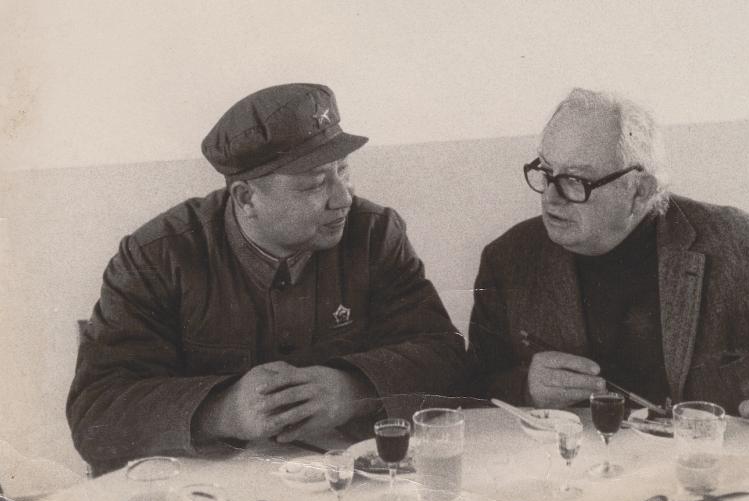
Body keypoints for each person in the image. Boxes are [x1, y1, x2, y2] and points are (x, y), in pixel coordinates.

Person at [67, 83, 472, 474]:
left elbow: (447, 358)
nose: (343, 197)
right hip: (211, 493)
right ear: (245, 198)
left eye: (343, 170)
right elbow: (94, 413)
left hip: (350, 484)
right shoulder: (157, 256)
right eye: (315, 183)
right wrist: (220, 411)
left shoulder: (374, 233)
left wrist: (353, 389)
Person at [469, 87, 749, 434]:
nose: (550, 197)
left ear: (640, 191)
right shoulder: (509, 260)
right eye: (545, 170)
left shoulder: (747, 246)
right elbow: (472, 384)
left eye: (576, 180)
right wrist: (525, 387)